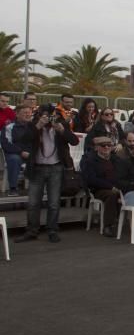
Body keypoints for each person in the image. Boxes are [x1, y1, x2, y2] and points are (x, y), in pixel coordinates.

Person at [17, 104, 80, 244]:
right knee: (33, 203)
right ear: (39, 115)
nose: (47, 119)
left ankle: (52, 230)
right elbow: (23, 139)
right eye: (44, 116)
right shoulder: (34, 125)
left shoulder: (60, 125)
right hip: (37, 168)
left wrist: (63, 131)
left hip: (55, 168)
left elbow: (75, 141)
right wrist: (38, 126)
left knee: (53, 203)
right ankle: (31, 231)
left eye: (50, 116)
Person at [81, 136, 122, 237]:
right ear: (96, 148)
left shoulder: (116, 159)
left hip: (117, 187)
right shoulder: (90, 160)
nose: (107, 147)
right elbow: (91, 180)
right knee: (112, 195)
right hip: (99, 189)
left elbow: (122, 174)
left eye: (109, 145)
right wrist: (111, 187)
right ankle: (108, 226)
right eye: (103, 145)